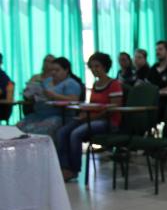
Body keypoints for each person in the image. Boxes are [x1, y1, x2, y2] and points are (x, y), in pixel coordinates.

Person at [56, 53, 123, 182]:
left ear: (105, 67)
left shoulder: (114, 84)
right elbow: (93, 105)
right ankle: (64, 167)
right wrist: (83, 113)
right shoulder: (95, 85)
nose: (94, 69)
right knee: (62, 132)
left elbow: (113, 109)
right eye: (91, 67)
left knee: (76, 134)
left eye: (97, 66)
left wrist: (91, 118)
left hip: (109, 122)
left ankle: (74, 170)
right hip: (92, 118)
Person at [17, 57, 82, 136]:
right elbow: (40, 93)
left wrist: (54, 96)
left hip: (59, 116)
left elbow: (74, 100)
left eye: (57, 70)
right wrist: (31, 94)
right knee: (18, 128)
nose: (53, 73)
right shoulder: (47, 81)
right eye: (52, 70)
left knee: (37, 130)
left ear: (66, 70)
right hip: (39, 115)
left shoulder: (71, 83)